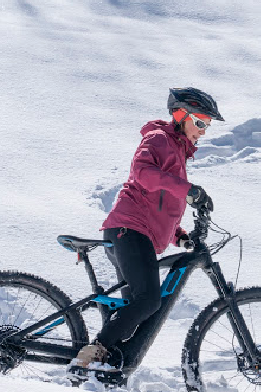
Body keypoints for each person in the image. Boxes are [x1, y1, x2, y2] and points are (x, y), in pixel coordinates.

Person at [70, 87, 223, 373]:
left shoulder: (177, 153)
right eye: (200, 123)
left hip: (135, 233)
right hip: (128, 230)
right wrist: (188, 190)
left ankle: (107, 369)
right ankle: (91, 353)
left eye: (207, 126)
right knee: (148, 300)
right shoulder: (158, 138)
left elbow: (160, 202)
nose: (202, 132)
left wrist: (180, 236)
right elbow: (143, 174)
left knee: (133, 314)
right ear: (181, 115)